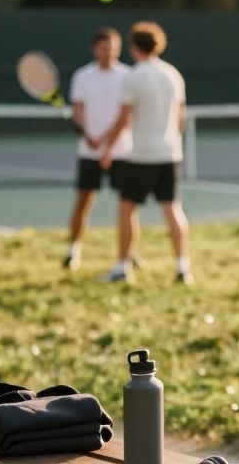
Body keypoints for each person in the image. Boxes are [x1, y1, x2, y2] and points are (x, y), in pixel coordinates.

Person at [98, 21, 193, 285]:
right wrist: (172, 140)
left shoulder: (134, 76)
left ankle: (121, 267)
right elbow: (181, 117)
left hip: (141, 155)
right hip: (170, 153)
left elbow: (123, 119)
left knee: (127, 208)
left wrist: (107, 149)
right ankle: (182, 268)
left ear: (133, 47)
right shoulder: (173, 74)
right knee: (173, 209)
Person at [63, 27, 133, 270]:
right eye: (104, 48)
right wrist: (89, 136)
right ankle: (73, 251)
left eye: (113, 47)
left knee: (127, 206)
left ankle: (129, 254)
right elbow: (78, 110)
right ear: (95, 49)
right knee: (83, 200)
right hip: (89, 152)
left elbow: (128, 114)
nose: (108, 52)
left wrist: (107, 142)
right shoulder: (83, 77)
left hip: (122, 152)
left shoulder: (128, 76)